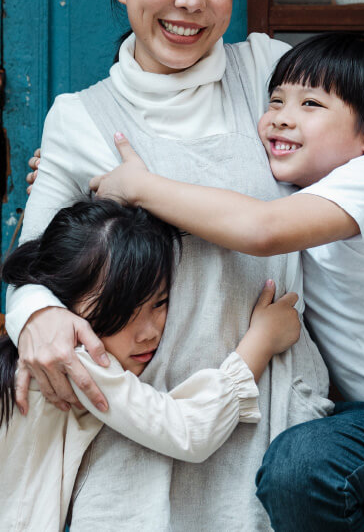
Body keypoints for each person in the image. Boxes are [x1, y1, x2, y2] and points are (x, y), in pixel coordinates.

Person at [6, 0, 364, 529]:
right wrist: (36, 317)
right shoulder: (80, 117)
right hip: (151, 424)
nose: (191, 0)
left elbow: (352, 128)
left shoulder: (266, 68)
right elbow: (30, 266)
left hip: (277, 412)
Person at [88, 32, 364, 530]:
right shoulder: (305, 194)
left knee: (302, 460)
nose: (281, 116)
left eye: (310, 104)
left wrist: (137, 186)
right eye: (276, 101)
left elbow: (258, 229)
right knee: (297, 467)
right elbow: (226, 202)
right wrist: (82, 172)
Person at [0, 198, 301, 530]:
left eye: (159, 302)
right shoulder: (79, 361)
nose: (148, 333)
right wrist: (262, 340)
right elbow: (188, 431)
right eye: (122, 312)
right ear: (64, 305)